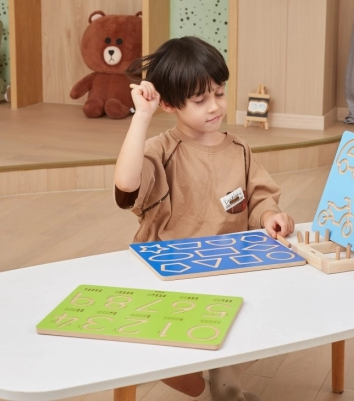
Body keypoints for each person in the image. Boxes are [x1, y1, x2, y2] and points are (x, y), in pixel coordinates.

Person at [114, 36, 295, 401]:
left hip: (229, 264)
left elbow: (258, 195)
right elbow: (125, 187)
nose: (214, 107)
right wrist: (142, 119)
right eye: (200, 100)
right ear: (169, 104)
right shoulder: (161, 150)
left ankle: (225, 388)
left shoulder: (240, 148)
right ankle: (191, 374)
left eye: (219, 93)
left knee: (248, 328)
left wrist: (270, 215)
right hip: (169, 270)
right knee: (159, 348)